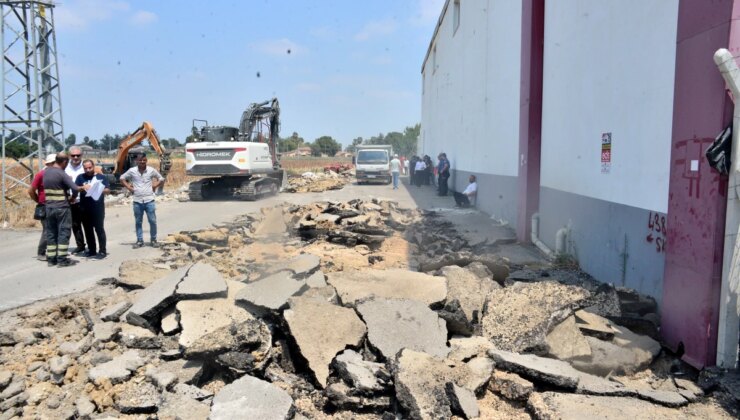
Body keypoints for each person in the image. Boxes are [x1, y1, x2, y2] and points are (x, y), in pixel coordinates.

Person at [43, 152, 91, 267]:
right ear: (64, 162)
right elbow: (75, 188)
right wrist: (83, 187)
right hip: (62, 208)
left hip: (49, 208)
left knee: (51, 233)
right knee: (64, 233)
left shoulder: (46, 172)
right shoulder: (62, 174)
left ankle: (51, 259)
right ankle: (62, 260)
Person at [120, 154, 164, 248]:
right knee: (138, 222)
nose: (142, 162)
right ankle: (140, 241)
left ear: (146, 160)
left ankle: (153, 240)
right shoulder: (132, 171)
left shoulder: (151, 170)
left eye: (144, 160)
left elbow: (161, 178)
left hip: (149, 200)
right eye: (140, 160)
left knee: (152, 221)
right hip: (137, 201)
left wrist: (155, 186)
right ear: (137, 161)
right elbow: (122, 178)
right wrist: (129, 188)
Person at [76, 159, 110, 259]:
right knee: (88, 230)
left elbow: (108, 190)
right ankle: (92, 250)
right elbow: (75, 187)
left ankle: (102, 251)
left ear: (93, 166)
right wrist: (83, 187)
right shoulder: (80, 177)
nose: (88, 170)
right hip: (84, 208)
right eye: (85, 168)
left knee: (99, 229)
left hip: (98, 208)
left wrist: (99, 189)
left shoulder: (101, 177)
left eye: (89, 167)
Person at [28, 153, 56, 261]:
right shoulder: (41, 175)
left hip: (57, 205)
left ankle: (53, 252)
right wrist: (38, 200)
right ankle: (41, 252)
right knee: (48, 230)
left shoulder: (59, 174)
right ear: (48, 164)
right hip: (45, 206)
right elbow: (31, 191)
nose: (55, 165)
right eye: (52, 163)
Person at [64, 146, 86, 254]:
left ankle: (92, 246)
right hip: (71, 200)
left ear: (82, 155)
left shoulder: (86, 166)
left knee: (88, 224)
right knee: (75, 224)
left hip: (85, 200)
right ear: (69, 156)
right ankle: (80, 245)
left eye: (78, 155)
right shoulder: (65, 167)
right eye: (73, 155)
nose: (76, 157)